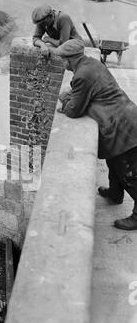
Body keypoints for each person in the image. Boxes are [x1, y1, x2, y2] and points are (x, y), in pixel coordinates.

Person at [56, 39, 137, 230]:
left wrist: (65, 100)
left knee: (130, 174)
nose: (62, 63)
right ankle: (115, 194)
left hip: (123, 127)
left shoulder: (82, 75)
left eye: (62, 60)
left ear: (70, 59)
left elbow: (74, 110)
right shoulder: (92, 64)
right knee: (114, 162)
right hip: (126, 116)